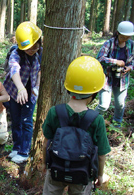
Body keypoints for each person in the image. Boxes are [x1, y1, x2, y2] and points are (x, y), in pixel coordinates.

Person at [42, 56, 111, 194]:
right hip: (83, 173)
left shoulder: (55, 112)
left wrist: (45, 164)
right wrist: (100, 174)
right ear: (94, 92)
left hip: (56, 167)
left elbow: (45, 143)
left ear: (68, 87)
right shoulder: (96, 120)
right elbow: (101, 155)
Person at [3, 21, 42, 164]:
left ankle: (24, 151)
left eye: (34, 46)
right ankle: (16, 147)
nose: (32, 49)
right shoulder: (16, 53)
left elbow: (40, 71)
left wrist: (36, 87)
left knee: (26, 121)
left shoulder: (41, 53)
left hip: (30, 94)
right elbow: (14, 69)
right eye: (28, 48)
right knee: (15, 120)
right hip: (15, 92)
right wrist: (20, 88)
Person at [95, 21, 134, 127]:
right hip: (107, 78)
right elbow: (100, 58)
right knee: (103, 105)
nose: (125, 39)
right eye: (123, 37)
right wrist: (115, 62)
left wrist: (129, 67)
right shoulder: (110, 43)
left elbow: (132, 61)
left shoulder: (131, 45)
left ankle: (116, 124)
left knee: (120, 105)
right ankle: (92, 121)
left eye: (128, 37)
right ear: (118, 33)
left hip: (122, 79)